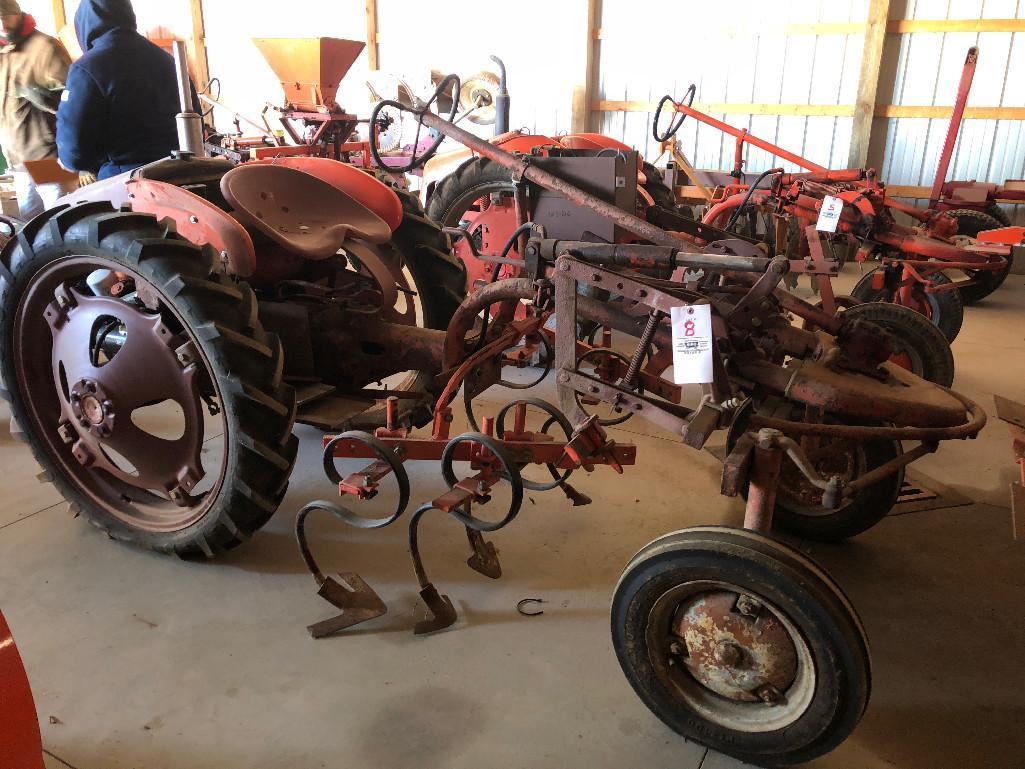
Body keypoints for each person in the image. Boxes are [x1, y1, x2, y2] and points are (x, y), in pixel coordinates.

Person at [57, 0, 183, 179]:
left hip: (125, 183)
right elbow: (196, 122)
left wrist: (73, 159)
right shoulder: (167, 60)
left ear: (84, 22)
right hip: (180, 176)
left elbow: (74, 153)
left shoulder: (87, 69)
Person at [0, 0, 75, 219]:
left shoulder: (45, 47)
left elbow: (74, 100)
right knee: (29, 230)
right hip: (17, 162)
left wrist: (41, 95)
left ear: (18, 14)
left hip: (47, 157)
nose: (3, 24)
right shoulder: (3, 53)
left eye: (6, 17)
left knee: (60, 222)